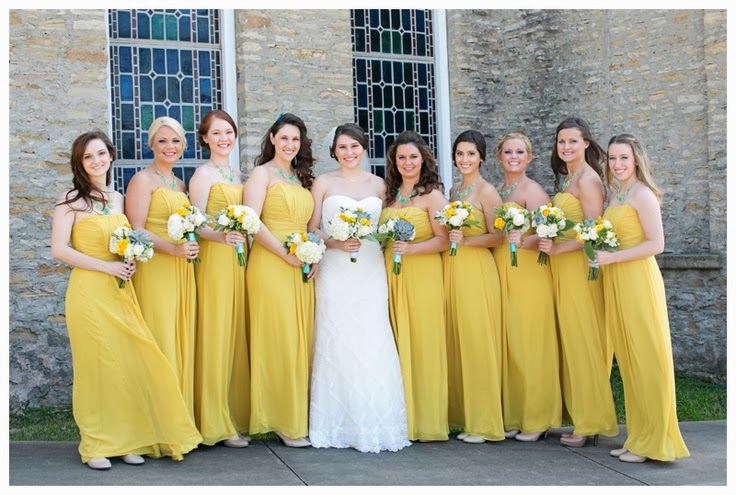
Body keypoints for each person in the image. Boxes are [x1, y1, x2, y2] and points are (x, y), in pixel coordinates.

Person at [50, 131, 202, 470]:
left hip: (121, 290)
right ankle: (96, 445)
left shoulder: (116, 198)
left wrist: (131, 256)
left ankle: (127, 440)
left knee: (126, 365)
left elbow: (125, 238)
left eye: (101, 153)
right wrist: (107, 266)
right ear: (80, 163)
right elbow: (60, 250)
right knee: (96, 368)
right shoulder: (70, 200)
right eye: (88, 157)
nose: (96, 161)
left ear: (110, 155)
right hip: (89, 291)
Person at [307, 123, 411, 453]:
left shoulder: (380, 185)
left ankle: (376, 420)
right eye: (342, 147)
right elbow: (310, 228)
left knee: (371, 336)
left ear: (364, 148)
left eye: (354, 146)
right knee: (335, 336)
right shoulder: (323, 182)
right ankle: (335, 422)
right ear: (334, 151)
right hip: (335, 269)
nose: (349, 152)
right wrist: (334, 242)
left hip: (369, 268)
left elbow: (388, 226)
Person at [594, 133, 690, 463]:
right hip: (617, 281)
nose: (617, 164)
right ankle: (638, 436)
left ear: (636, 160)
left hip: (638, 281)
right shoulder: (616, 195)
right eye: (612, 158)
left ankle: (656, 441)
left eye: (623, 157)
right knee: (630, 360)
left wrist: (612, 258)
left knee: (648, 358)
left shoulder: (643, 194)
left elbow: (656, 244)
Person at [538, 117, 618, 447]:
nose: (566, 147)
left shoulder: (588, 180)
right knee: (572, 340)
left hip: (580, 269)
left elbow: (593, 232)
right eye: (561, 142)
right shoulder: (568, 177)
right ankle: (585, 415)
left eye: (572, 141)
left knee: (584, 340)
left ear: (586, 143)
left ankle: (589, 422)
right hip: (562, 269)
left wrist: (558, 247)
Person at [243, 113, 316, 448]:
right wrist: (285, 255)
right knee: (279, 339)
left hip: (300, 264)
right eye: (284, 138)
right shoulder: (262, 174)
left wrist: (312, 255)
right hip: (271, 263)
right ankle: (281, 420)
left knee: (301, 339)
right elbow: (252, 223)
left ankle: (298, 414)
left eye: (295, 140)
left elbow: (308, 225)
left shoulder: (301, 178)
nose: (290, 145)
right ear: (272, 138)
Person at [125, 117, 199, 421]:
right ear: (150, 144)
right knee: (160, 337)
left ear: (184, 145)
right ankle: (156, 420)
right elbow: (136, 229)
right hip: (156, 268)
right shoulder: (142, 180)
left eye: (175, 141)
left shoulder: (179, 184)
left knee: (179, 336)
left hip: (181, 269)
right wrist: (173, 249)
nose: (170, 147)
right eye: (162, 141)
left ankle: (178, 417)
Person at [491, 132, 562, 442]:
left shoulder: (533, 191)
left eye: (520, 151)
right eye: (508, 151)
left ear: (529, 157)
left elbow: (550, 233)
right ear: (499, 157)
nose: (514, 156)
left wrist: (525, 240)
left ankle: (537, 418)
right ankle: (516, 414)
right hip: (503, 270)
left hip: (529, 273)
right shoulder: (498, 191)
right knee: (512, 344)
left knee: (532, 343)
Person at [379, 130, 450, 442]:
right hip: (391, 277)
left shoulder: (432, 195)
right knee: (395, 344)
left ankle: (427, 421)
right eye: (402, 157)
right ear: (394, 162)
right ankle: (401, 417)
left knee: (423, 343)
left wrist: (412, 250)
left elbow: (444, 240)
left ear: (424, 160)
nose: (408, 162)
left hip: (422, 275)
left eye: (413, 157)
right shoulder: (390, 197)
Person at [188, 110, 250, 448]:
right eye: (216, 133)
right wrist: (222, 238)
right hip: (215, 259)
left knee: (234, 333)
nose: (224, 138)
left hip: (239, 260)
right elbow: (195, 224)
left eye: (228, 132)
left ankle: (232, 414)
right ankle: (214, 423)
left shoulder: (238, 174)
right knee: (216, 333)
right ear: (205, 138)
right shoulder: (203, 175)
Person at [443, 130, 505, 444]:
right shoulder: (454, 190)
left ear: (480, 156)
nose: (464, 159)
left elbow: (499, 236)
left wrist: (466, 240)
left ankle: (484, 422)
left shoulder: (487, 191)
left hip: (478, 269)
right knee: (460, 341)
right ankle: (465, 416)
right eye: (459, 154)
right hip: (455, 270)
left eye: (470, 153)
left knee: (479, 342)